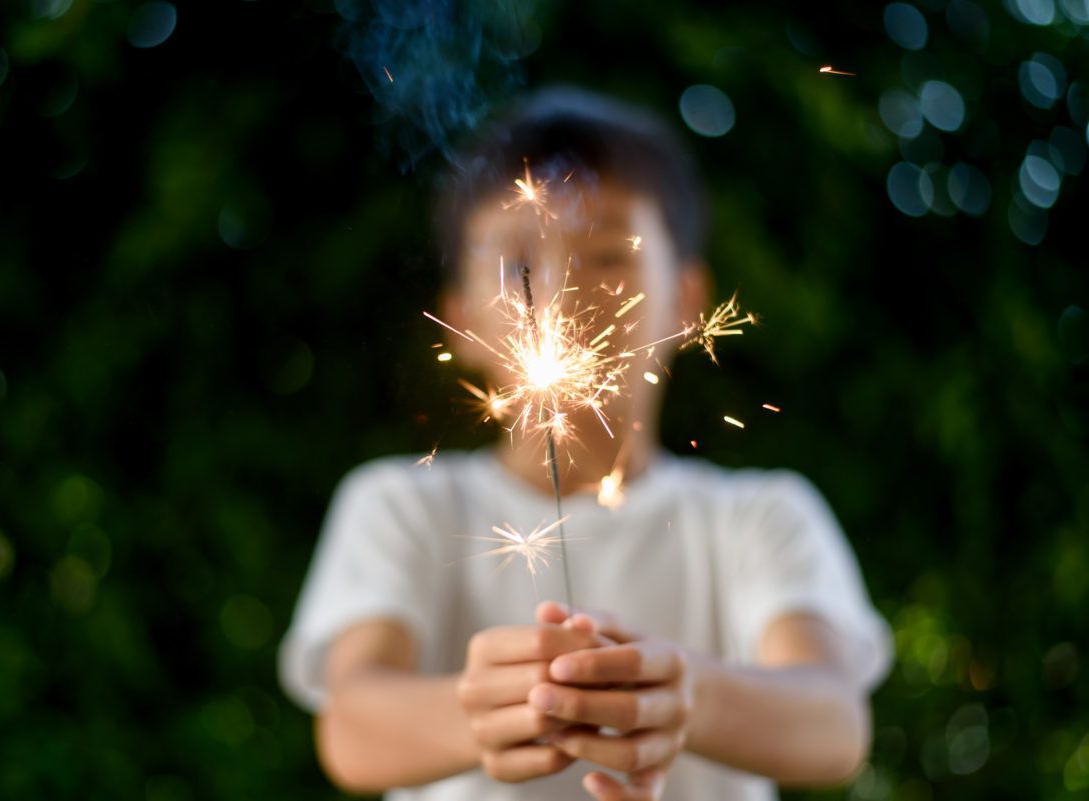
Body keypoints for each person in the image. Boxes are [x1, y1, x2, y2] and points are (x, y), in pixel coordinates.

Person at [278, 87, 893, 801]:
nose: (564, 294)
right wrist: (478, 712)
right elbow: (352, 725)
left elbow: (834, 724)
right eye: (521, 267)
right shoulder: (401, 504)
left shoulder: (760, 515)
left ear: (686, 300)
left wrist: (687, 696)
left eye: (609, 255)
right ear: (460, 320)